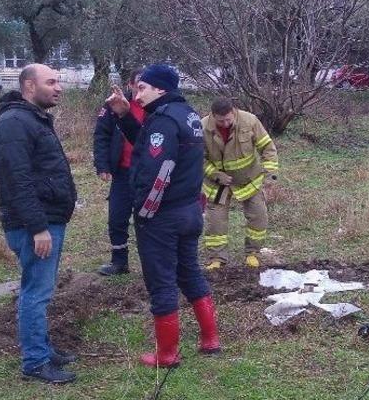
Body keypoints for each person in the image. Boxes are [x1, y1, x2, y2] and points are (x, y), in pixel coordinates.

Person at [104, 63, 221, 367]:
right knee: (190, 272)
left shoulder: (164, 120)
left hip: (164, 216)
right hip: (190, 211)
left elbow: (158, 170)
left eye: (142, 88)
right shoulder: (188, 115)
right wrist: (123, 114)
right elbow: (148, 142)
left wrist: (144, 213)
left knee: (162, 282)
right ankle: (211, 340)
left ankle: (167, 354)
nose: (136, 93)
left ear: (160, 89)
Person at [0, 63, 78, 384]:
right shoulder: (14, 124)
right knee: (35, 292)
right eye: (51, 82)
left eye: (59, 81)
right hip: (34, 226)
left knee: (41, 289)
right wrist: (38, 227)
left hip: (46, 219)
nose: (58, 87)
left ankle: (43, 349)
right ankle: (35, 362)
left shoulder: (31, 119)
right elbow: (18, 182)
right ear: (29, 86)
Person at [200, 97, 280, 270]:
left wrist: (270, 176)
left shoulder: (250, 121)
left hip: (248, 180)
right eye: (221, 121)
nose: (226, 123)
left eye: (229, 119)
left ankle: (253, 253)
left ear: (234, 112)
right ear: (212, 116)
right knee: (216, 222)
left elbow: (267, 147)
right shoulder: (202, 127)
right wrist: (214, 173)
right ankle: (217, 258)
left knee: (258, 217)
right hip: (218, 184)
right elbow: (198, 158)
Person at [92, 72, 145, 275]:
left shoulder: (156, 107)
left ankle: (151, 261)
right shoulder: (114, 105)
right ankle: (119, 262)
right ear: (129, 84)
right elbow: (101, 135)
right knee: (117, 217)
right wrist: (103, 165)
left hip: (147, 173)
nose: (140, 91)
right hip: (123, 172)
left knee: (146, 219)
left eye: (145, 86)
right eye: (138, 86)